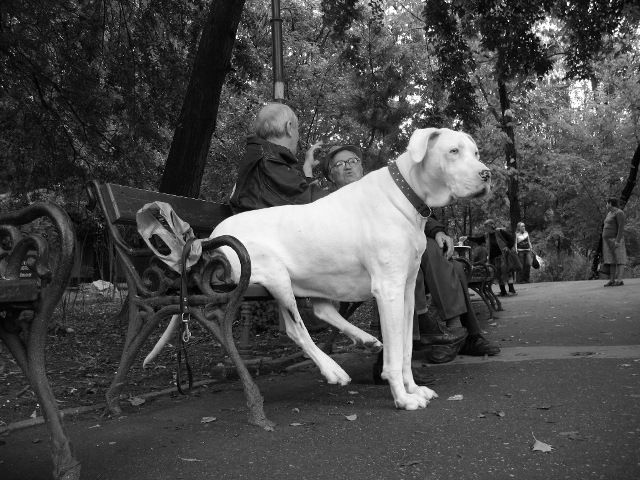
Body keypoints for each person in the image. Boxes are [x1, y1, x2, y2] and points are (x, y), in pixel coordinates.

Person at [321, 145, 500, 362]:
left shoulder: (379, 188)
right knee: (423, 261)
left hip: (402, 249)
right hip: (366, 261)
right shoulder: (329, 204)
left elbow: (415, 209)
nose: (347, 167)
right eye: (339, 165)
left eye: (352, 161)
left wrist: (438, 230)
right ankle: (453, 334)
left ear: (361, 166)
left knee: (440, 253)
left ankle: (455, 333)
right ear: (331, 175)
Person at [229, 103, 326, 213]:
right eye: (297, 130)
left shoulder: (262, 158)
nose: (298, 137)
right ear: (289, 127)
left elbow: (298, 196)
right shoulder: (269, 161)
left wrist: (307, 168)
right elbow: (313, 204)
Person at [461, 219, 517, 297]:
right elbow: (478, 239)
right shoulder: (486, 235)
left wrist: (508, 247)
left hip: (504, 256)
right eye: (485, 226)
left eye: (486, 226)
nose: (485, 228)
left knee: (507, 272)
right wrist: (467, 238)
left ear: (491, 225)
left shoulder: (500, 232)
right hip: (493, 258)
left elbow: (511, 239)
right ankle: (503, 292)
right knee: (498, 274)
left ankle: (512, 290)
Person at [602, 197, 627, 287]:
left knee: (620, 259)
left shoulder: (619, 213)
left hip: (615, 239)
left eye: (607, 203)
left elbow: (621, 227)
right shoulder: (609, 213)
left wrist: (617, 240)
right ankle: (612, 280)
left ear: (610, 203)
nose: (606, 205)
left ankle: (619, 280)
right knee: (611, 260)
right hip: (607, 241)